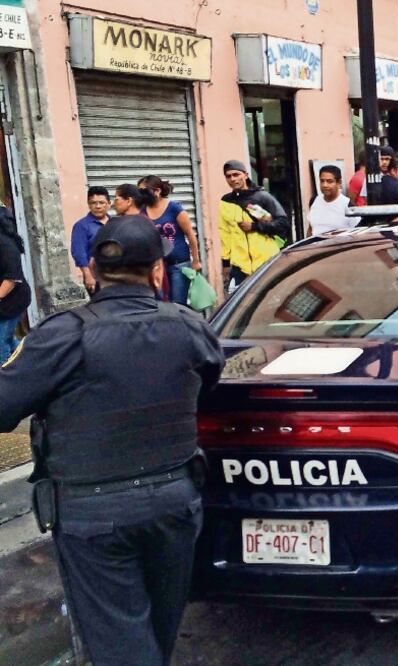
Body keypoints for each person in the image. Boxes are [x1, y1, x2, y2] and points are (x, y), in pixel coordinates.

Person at [0, 215, 225, 665]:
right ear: (158, 271)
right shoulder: (188, 325)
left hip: (94, 514)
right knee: (156, 636)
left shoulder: (64, 334)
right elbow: (210, 378)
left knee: (121, 644)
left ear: (93, 272)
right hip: (173, 503)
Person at [219, 159, 289, 290]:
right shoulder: (226, 201)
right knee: (238, 306)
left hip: (265, 263)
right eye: (228, 176)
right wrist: (226, 263)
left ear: (245, 175)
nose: (232, 179)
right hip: (239, 267)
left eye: (236, 174)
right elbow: (225, 233)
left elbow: (283, 223)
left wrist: (254, 227)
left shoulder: (261, 197)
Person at [139, 175, 201, 307]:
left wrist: (196, 261)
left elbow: (190, 235)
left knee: (178, 305)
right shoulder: (142, 211)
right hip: (157, 266)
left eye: (144, 191)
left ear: (157, 191)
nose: (141, 195)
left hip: (179, 265)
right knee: (161, 305)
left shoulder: (174, 208)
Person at [0, 205, 29, 363]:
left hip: (10, 302)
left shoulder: (5, 244)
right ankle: (32, 362)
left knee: (1, 343)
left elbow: (12, 278)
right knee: (9, 340)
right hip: (7, 301)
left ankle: (5, 381)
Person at [70, 186, 111, 295]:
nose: (98, 206)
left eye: (101, 202)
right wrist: (88, 275)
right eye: (93, 203)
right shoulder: (81, 226)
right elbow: (79, 252)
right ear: (89, 205)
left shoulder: (115, 223)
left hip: (117, 277)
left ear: (108, 204)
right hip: (96, 278)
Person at [308, 165, 358, 235]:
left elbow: (356, 233)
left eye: (329, 181)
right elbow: (311, 229)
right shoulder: (314, 201)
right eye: (322, 181)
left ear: (339, 183)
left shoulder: (348, 206)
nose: (325, 185)